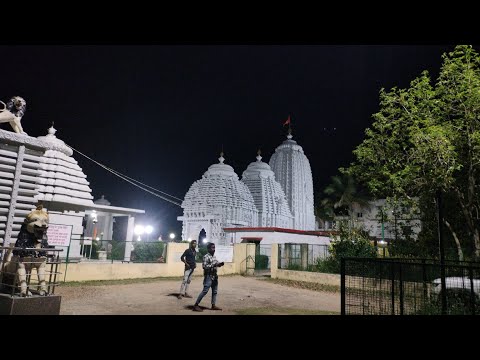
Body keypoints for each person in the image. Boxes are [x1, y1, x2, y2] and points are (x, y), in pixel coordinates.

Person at [192, 242, 224, 312]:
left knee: (214, 291)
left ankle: (213, 305)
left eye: (214, 247)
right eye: (212, 248)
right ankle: (196, 305)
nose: (214, 249)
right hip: (208, 276)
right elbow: (204, 266)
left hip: (214, 276)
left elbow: (216, 263)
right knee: (205, 291)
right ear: (208, 249)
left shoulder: (214, 256)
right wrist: (214, 265)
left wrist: (219, 264)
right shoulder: (206, 257)